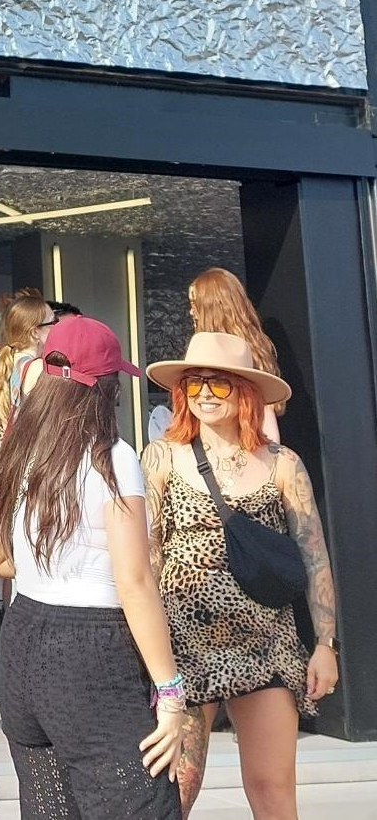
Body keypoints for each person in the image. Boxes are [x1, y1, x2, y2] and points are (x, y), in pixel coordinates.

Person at [0, 315, 184, 820]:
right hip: (93, 649)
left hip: (23, 639)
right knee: (141, 805)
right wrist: (170, 692)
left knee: (49, 808)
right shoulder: (112, 457)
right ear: (109, 386)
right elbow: (134, 582)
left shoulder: (17, 452)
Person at [142, 333, 339, 819]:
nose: (205, 394)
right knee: (172, 793)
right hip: (183, 648)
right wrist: (145, 648)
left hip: (266, 644)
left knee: (274, 791)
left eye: (219, 383)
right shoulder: (163, 456)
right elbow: (147, 556)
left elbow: (314, 557)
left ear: (246, 392)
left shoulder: (282, 463)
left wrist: (325, 644)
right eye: (194, 383)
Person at [185, 268, 284, 448]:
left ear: (211, 307)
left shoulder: (244, 356)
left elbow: (266, 427)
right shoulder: (253, 347)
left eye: (194, 304)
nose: (191, 312)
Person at [0, 287, 52, 450]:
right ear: (35, 332)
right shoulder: (37, 368)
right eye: (53, 322)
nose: (57, 327)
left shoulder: (6, 363)